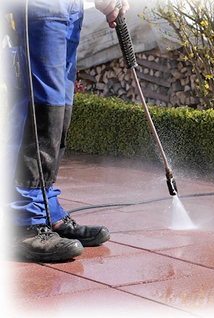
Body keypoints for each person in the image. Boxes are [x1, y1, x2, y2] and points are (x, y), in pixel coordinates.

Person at [0, 0, 130, 262]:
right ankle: (22, 221)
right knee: (38, 105)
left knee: (59, 106)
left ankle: (46, 210)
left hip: (67, 5)